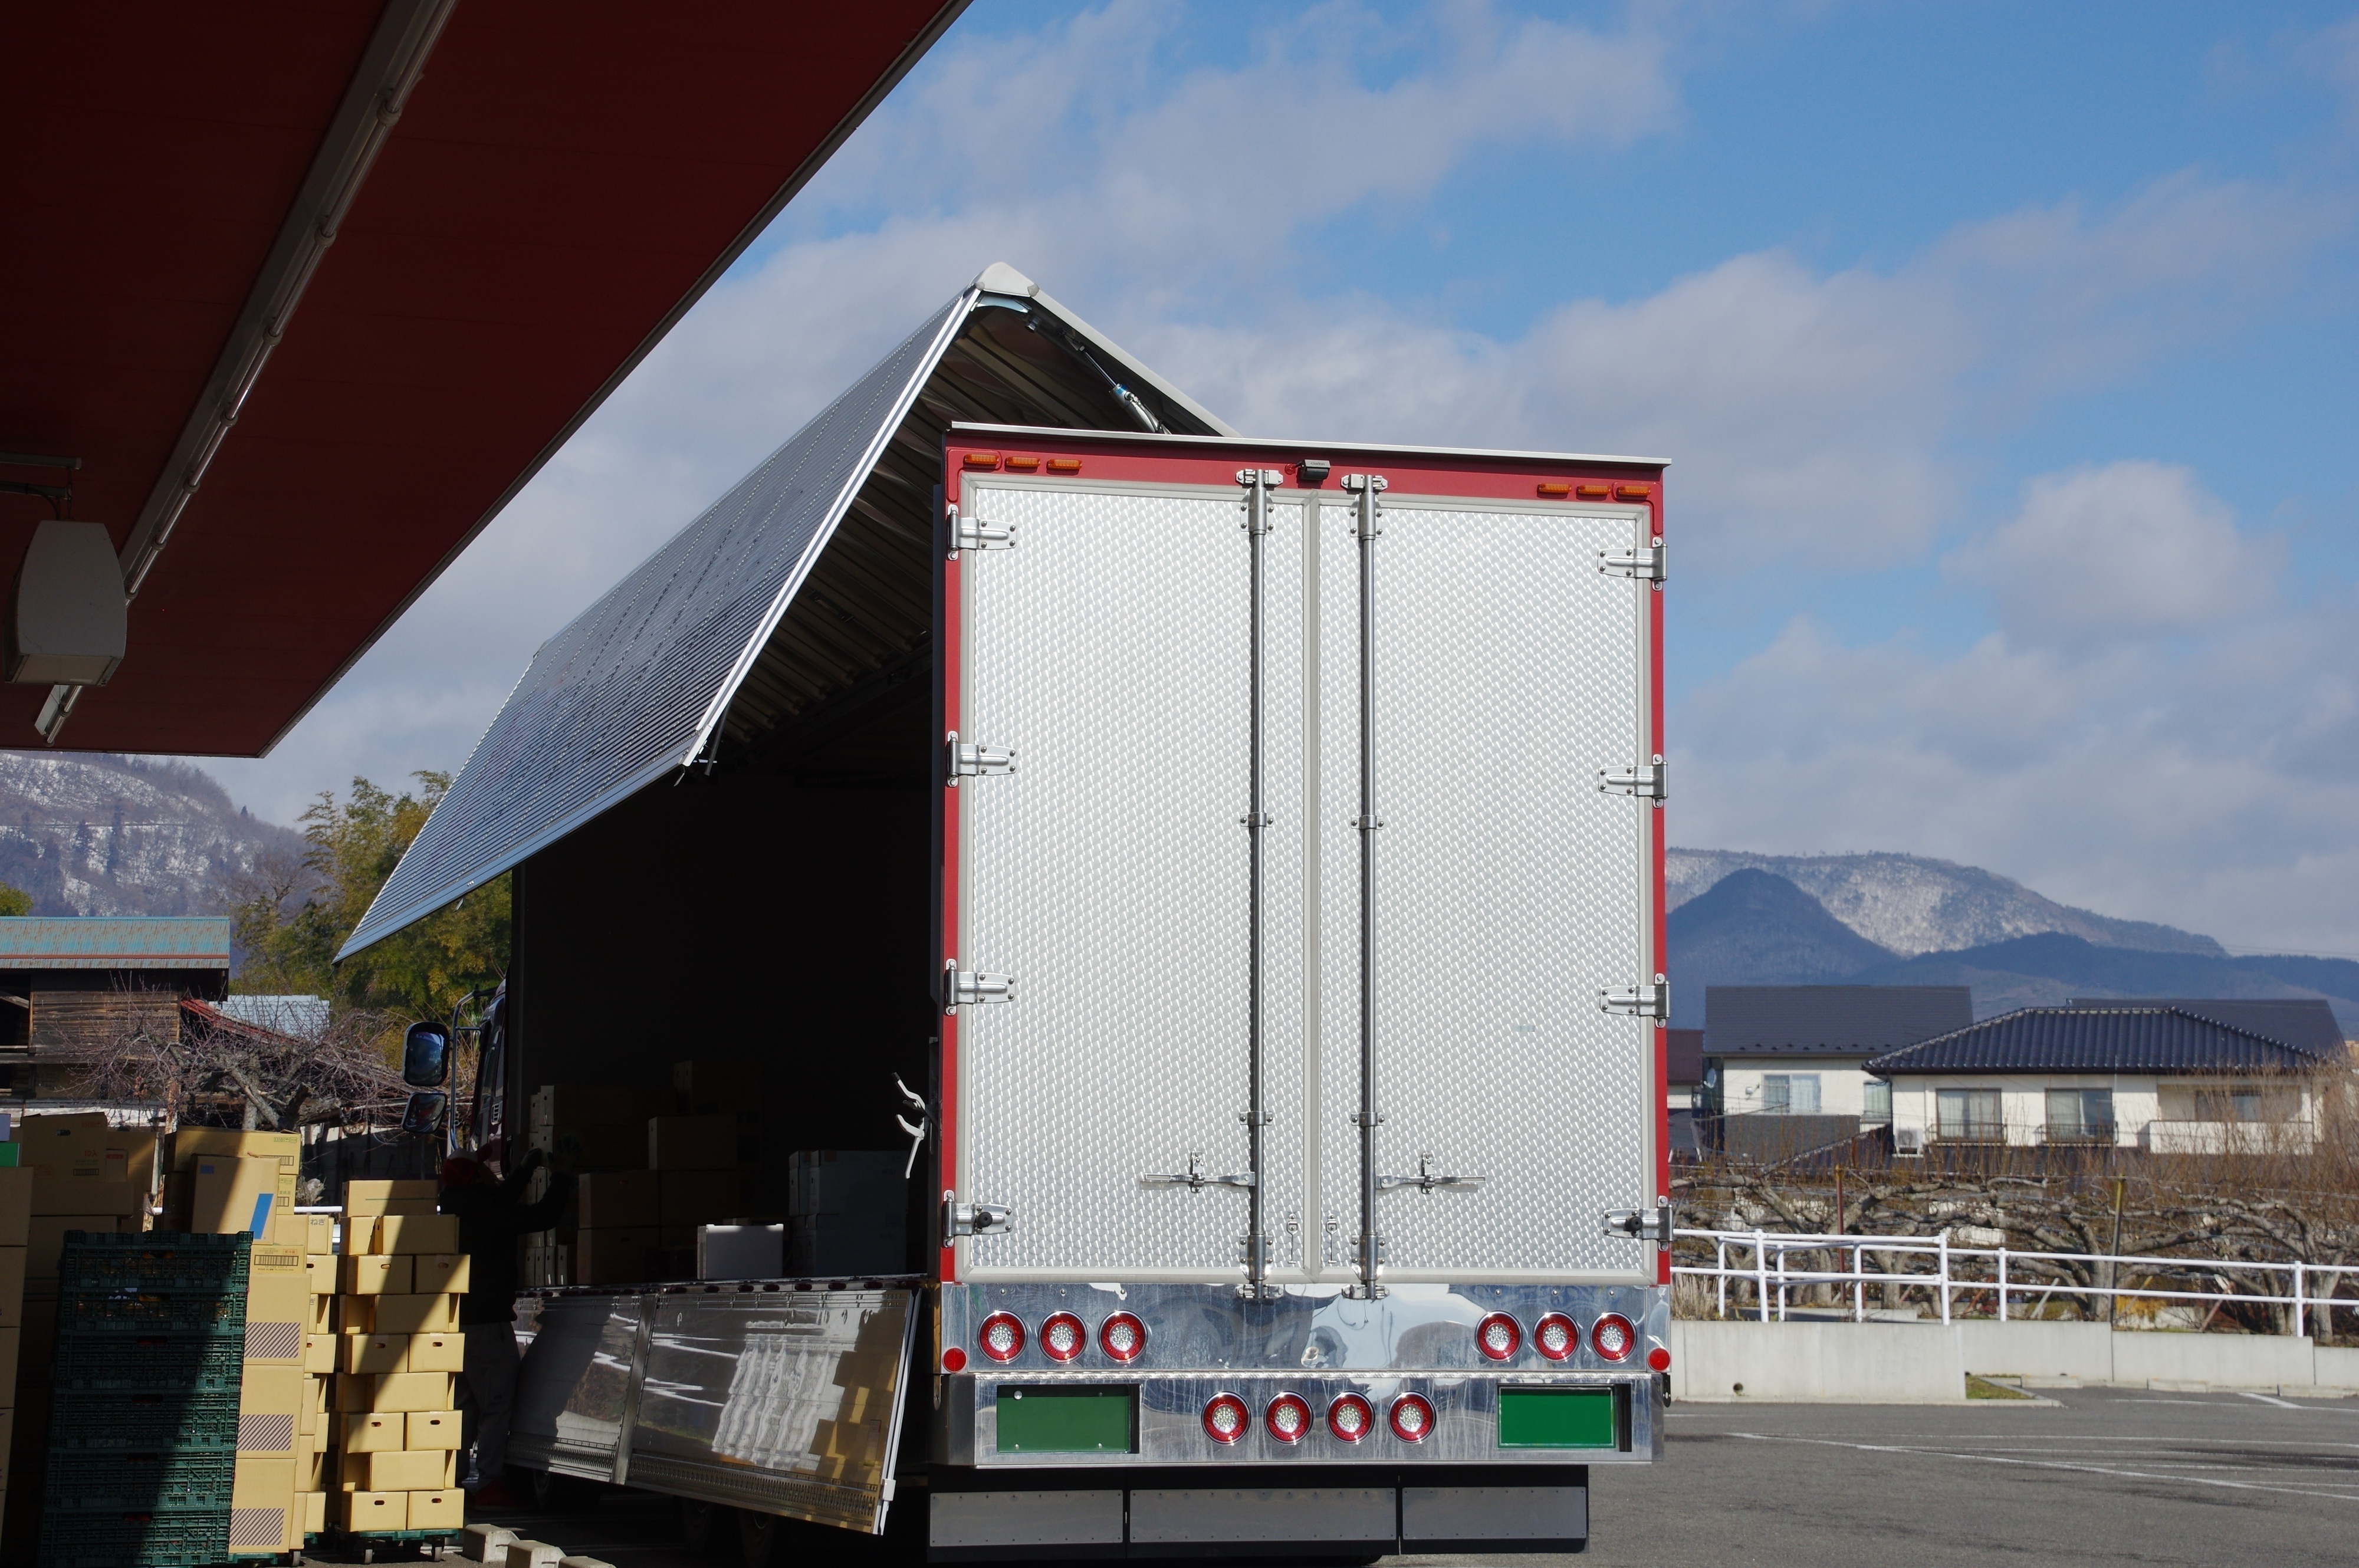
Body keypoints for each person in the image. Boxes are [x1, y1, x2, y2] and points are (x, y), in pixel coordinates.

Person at [440, 1140, 570, 1505]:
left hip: (455, 1326)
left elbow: (500, 1199)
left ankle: (453, 1481)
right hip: (486, 1326)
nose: (489, 1171)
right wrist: (562, 1178)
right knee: (497, 1405)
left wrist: (525, 1171)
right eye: (483, 1168)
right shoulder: (486, 1213)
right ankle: (491, 1482)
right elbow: (541, 1218)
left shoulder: (455, 1209)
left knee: (464, 1407)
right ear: (476, 1177)